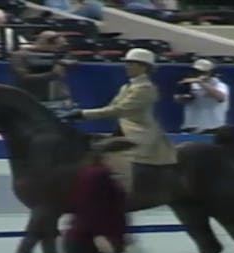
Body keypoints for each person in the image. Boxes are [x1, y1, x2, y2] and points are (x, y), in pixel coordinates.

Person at [61, 48, 177, 194]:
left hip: (139, 130)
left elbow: (119, 110)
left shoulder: (145, 88)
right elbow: (111, 107)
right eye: (127, 63)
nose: (127, 67)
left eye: (131, 64)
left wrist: (83, 114)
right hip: (123, 127)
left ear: (143, 67)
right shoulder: (127, 87)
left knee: (119, 158)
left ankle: (124, 188)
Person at [63, 150, 129, 253]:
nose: (127, 161)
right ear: (108, 157)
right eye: (124, 156)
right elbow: (89, 206)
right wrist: (99, 235)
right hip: (90, 243)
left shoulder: (102, 175)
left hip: (90, 241)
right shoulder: (98, 175)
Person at [9, 31, 73, 113]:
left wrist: (64, 62)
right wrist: (52, 74)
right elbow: (23, 78)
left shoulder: (60, 55)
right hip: (33, 100)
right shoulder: (20, 55)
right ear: (46, 43)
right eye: (59, 46)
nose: (61, 49)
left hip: (60, 100)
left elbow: (72, 59)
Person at [174, 59, 230, 134]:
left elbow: (220, 97)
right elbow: (178, 99)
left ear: (210, 72)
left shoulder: (220, 85)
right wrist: (184, 97)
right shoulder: (190, 85)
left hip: (214, 128)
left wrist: (201, 83)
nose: (199, 74)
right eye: (197, 71)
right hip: (192, 127)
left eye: (203, 72)